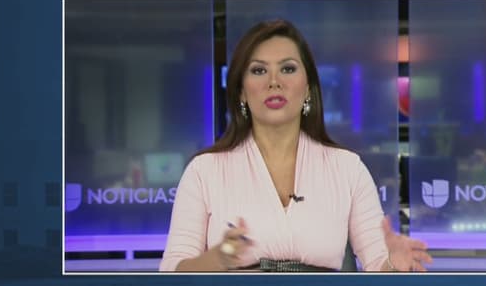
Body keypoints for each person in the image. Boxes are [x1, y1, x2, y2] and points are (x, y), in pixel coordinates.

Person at [160, 20, 434, 273]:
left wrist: (394, 264)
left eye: (288, 69)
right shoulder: (204, 171)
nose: (274, 82)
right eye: (259, 70)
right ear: (241, 90)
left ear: (308, 88)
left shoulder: (348, 169)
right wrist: (217, 259)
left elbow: (378, 265)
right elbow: (171, 273)